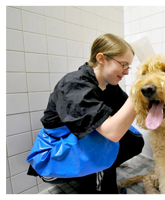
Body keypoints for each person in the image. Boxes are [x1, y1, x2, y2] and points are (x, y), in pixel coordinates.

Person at [26, 33, 144, 196]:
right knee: (104, 142)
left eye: (128, 67)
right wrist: (140, 89)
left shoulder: (109, 86)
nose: (126, 72)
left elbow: (127, 110)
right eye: (123, 64)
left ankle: (98, 181)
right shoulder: (74, 86)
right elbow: (112, 132)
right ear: (101, 59)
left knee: (133, 140)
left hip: (79, 142)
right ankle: (97, 189)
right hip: (54, 154)